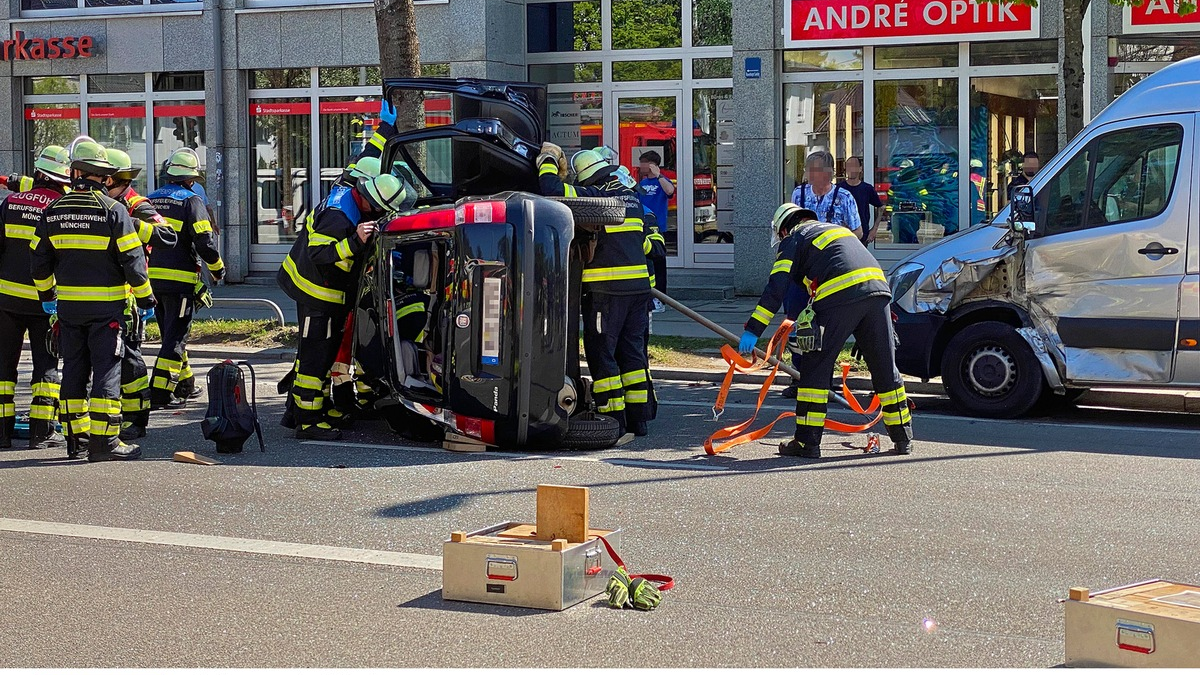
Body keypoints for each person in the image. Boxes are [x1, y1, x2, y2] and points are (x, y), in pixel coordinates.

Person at [738, 204, 912, 459]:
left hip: (839, 295)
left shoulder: (794, 238)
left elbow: (777, 286)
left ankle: (807, 443)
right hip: (878, 293)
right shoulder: (834, 231)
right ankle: (903, 438)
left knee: (815, 367)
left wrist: (753, 329)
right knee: (885, 368)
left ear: (784, 228)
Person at [31, 140, 155, 461]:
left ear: (74, 172)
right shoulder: (114, 212)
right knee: (106, 372)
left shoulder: (52, 211)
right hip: (107, 312)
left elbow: (38, 261)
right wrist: (145, 301)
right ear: (104, 178)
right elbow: (134, 263)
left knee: (73, 370)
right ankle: (105, 444)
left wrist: (48, 299)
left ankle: (77, 439)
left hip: (68, 311)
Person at [537, 143, 661, 438]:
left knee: (602, 354)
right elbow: (645, 246)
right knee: (633, 356)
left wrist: (547, 161)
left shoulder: (595, 197)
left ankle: (612, 417)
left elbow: (551, 191)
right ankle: (638, 419)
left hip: (606, 294)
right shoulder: (631, 199)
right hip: (638, 293)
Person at [278, 173, 407, 441]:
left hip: (320, 292)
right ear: (371, 202)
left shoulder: (348, 198)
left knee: (320, 355)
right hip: (317, 294)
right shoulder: (339, 216)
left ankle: (312, 409)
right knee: (315, 358)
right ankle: (308, 421)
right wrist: (356, 241)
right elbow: (319, 253)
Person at [105, 149, 179, 441]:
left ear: (117, 180)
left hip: (131, 294)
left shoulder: (137, 205)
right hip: (104, 291)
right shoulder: (100, 201)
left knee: (130, 358)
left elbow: (167, 236)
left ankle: (136, 419)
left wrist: (129, 223)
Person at [0, 145, 71, 451]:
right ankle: (41, 433)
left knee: (3, 369)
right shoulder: (61, 206)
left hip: (5, 301)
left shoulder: (11, 202)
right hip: (45, 301)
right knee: (46, 366)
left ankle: (1, 434)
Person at [146, 149, 226, 409]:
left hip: (151, 281)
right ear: (191, 179)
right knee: (175, 339)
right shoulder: (191, 201)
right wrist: (217, 269)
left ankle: (186, 384)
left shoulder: (150, 199)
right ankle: (159, 393)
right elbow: (205, 242)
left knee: (170, 334)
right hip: (180, 282)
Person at [636, 151, 674, 313]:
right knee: (647, 265)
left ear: (651, 164)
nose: (640, 166)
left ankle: (661, 300)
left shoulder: (662, 181)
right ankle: (649, 298)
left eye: (643, 162)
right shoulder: (642, 183)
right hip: (642, 227)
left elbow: (670, 191)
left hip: (657, 229)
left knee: (659, 266)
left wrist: (659, 176)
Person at [836, 156, 885, 245]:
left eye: (854, 166)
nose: (851, 169)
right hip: (841, 235)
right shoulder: (838, 189)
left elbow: (881, 207)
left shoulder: (867, 189)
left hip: (862, 236)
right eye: (848, 166)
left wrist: (874, 229)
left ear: (860, 169)